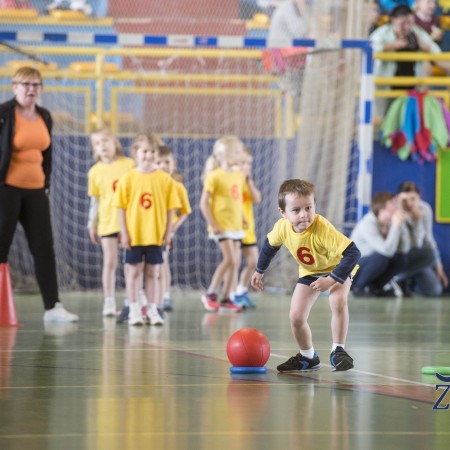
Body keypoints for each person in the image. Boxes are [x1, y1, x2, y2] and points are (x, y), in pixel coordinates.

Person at [251, 179, 360, 372]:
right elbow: (269, 247)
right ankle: (308, 356)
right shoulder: (282, 228)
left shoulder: (322, 228)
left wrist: (332, 279)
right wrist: (259, 271)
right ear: (282, 212)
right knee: (296, 316)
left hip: (337, 268)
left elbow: (353, 253)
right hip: (310, 272)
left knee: (337, 300)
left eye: (309, 208)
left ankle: (338, 351)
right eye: (296, 210)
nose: (304, 215)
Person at [0, 67, 78, 322]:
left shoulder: (45, 115)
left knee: (44, 248)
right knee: (1, 247)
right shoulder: (4, 113)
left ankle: (53, 307)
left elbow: (47, 154)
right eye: (25, 84)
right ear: (14, 87)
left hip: (36, 192)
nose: (31, 89)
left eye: (36, 85)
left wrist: (46, 184)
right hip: (7, 190)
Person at [114, 134, 179, 326]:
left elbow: (170, 209)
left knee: (153, 274)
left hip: (155, 236)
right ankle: (134, 309)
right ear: (136, 153)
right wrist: (124, 233)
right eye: (144, 151)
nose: (148, 155)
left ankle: (152, 309)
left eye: (152, 151)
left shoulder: (165, 180)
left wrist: (168, 232)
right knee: (133, 273)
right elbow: (121, 208)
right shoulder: (128, 178)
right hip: (134, 236)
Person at [87, 127, 135, 316]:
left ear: (115, 143)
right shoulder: (94, 172)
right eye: (98, 143)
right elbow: (95, 201)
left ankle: (132, 301)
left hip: (129, 223)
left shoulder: (129, 165)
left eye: (106, 141)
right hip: (107, 223)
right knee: (110, 262)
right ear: (94, 149)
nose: (102, 146)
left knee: (131, 263)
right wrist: (92, 223)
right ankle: (108, 302)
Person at [199, 135, 246, 313]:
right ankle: (210, 293)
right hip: (221, 226)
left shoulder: (238, 176)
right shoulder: (214, 177)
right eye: (236, 152)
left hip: (235, 226)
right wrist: (214, 223)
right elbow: (203, 203)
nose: (240, 155)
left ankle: (227, 297)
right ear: (225, 154)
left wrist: (242, 217)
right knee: (230, 259)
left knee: (235, 262)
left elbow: (236, 200)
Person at [369, 4, 441, 117]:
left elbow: (436, 52)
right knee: (388, 120)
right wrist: (392, 46)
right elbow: (369, 49)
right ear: (393, 20)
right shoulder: (382, 33)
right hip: (388, 88)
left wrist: (421, 45)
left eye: (410, 23)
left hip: (413, 88)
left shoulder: (417, 32)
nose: (407, 27)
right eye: (403, 23)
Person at [350, 192, 409, 297]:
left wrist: (401, 226)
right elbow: (386, 251)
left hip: (370, 262)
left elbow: (404, 249)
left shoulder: (388, 223)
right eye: (392, 207)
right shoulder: (367, 224)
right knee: (381, 257)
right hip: (352, 270)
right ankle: (358, 288)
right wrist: (395, 227)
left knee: (400, 259)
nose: (396, 210)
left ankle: (376, 288)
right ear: (381, 210)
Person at [395, 181, 449, 296]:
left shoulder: (425, 209)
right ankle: (396, 279)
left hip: (418, 258)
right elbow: (404, 246)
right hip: (400, 258)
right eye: (404, 200)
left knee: (435, 290)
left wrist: (439, 267)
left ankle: (407, 283)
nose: (409, 203)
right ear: (398, 199)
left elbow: (427, 240)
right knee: (427, 254)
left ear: (419, 197)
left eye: (413, 199)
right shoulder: (395, 210)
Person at [156, 145, 192, 312]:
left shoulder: (177, 186)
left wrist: (172, 228)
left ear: (174, 164)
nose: (163, 166)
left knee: (163, 264)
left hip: (165, 234)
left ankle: (165, 296)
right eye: (159, 162)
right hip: (150, 232)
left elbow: (185, 212)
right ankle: (153, 296)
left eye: (166, 162)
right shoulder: (151, 183)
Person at [233, 146, 262, 309]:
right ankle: (230, 295)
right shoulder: (232, 181)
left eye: (248, 163)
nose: (246, 167)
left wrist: (249, 180)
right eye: (242, 163)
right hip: (234, 228)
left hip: (247, 230)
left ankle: (241, 290)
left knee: (254, 261)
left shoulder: (246, 181)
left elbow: (257, 198)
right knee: (234, 262)